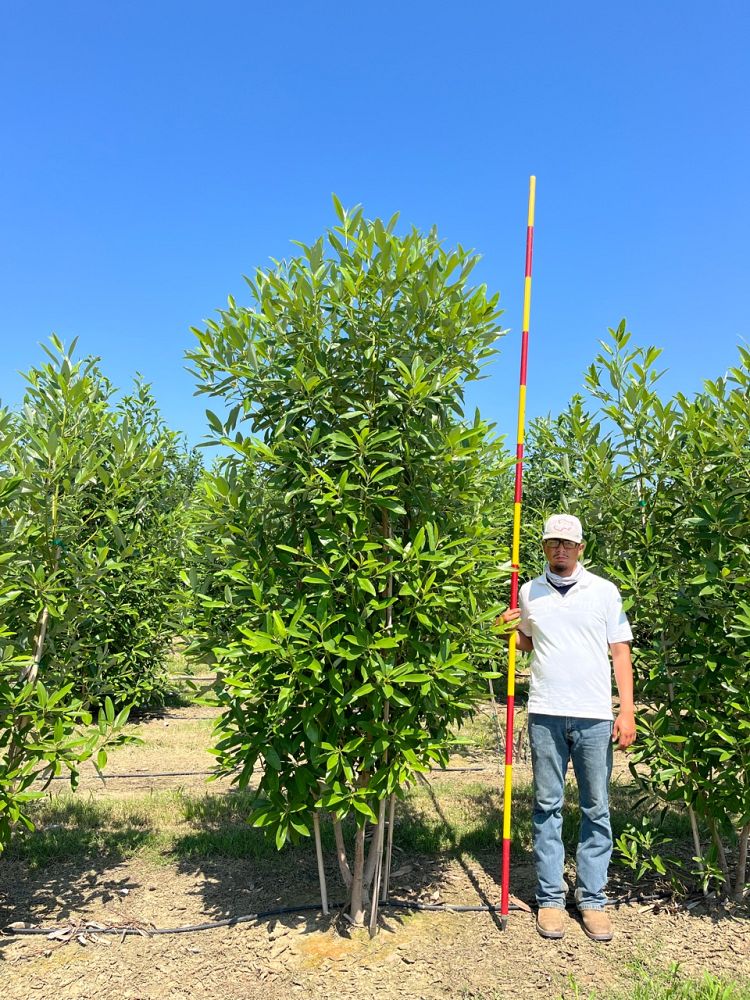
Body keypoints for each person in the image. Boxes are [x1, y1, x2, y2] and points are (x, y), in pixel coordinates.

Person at [501, 513, 636, 942]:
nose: (559, 549)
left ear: (580, 548)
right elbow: (529, 639)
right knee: (547, 807)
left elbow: (619, 652)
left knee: (596, 808)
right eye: (552, 542)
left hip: (594, 716)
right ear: (544, 547)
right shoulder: (530, 591)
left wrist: (627, 710)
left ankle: (592, 899)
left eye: (567, 543)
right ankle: (551, 899)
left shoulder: (604, 592)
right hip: (545, 712)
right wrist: (505, 630)